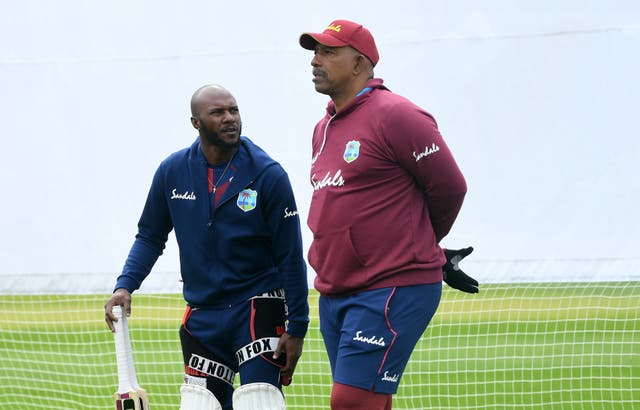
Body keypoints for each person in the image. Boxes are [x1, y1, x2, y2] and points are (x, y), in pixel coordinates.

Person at [298, 20, 478, 409]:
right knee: (369, 399)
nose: (315, 61)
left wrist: (425, 243)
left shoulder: (397, 114)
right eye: (315, 52)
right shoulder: (322, 127)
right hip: (336, 289)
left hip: (392, 284)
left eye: (328, 52)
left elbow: (450, 187)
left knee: (349, 401)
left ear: (360, 63)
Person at [104, 84, 309, 410]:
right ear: (196, 122)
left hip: (258, 309)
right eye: (218, 113)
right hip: (203, 314)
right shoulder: (172, 171)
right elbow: (150, 236)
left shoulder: (268, 174)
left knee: (259, 402)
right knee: (201, 406)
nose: (230, 119)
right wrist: (125, 285)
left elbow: (290, 256)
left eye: (234, 110)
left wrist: (297, 327)